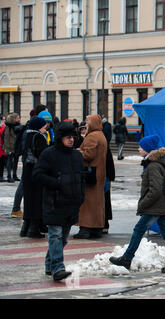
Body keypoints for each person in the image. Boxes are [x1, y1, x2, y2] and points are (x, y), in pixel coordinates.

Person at [109, 134, 165, 273]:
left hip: (154, 206)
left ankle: (127, 258)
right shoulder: (156, 164)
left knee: (139, 230)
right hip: (160, 205)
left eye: (141, 146)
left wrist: (143, 203)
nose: (138, 149)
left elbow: (155, 189)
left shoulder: (153, 165)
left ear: (148, 149)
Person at [33, 122, 85, 282]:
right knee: (54, 235)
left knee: (62, 238)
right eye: (68, 137)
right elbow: (37, 174)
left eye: (73, 137)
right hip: (54, 201)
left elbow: (80, 175)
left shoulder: (77, 155)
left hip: (71, 202)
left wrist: (81, 194)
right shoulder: (49, 154)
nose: (71, 140)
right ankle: (58, 268)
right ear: (60, 138)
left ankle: (50, 265)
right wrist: (56, 183)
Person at [74, 114, 107, 239]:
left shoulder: (92, 136)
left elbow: (88, 155)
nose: (86, 125)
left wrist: (78, 151)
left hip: (90, 174)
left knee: (88, 202)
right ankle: (96, 228)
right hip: (98, 173)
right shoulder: (101, 135)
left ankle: (85, 228)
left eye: (88, 122)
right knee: (97, 202)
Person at [21, 117, 49, 238]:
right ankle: (34, 229)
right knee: (37, 198)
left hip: (27, 170)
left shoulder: (25, 135)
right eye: (43, 127)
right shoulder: (38, 137)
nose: (45, 129)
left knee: (28, 198)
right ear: (38, 127)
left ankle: (25, 227)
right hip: (36, 171)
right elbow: (42, 154)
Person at [3, 113, 21, 183]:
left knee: (16, 161)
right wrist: (7, 147)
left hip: (16, 146)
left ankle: (14, 175)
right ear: (14, 119)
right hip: (10, 146)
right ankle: (9, 176)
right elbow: (6, 137)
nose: (19, 119)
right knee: (9, 161)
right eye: (17, 118)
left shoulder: (18, 126)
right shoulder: (8, 127)